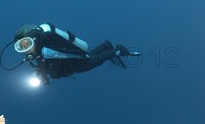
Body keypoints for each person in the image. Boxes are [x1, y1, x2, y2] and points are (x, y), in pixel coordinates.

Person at [12, 23, 140, 85]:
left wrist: (82, 56)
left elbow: (64, 54)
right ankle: (105, 45)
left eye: (26, 44)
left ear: (33, 40)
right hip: (70, 62)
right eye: (21, 47)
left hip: (75, 62)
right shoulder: (40, 51)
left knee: (95, 61)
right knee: (92, 55)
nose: (25, 49)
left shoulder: (45, 51)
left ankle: (116, 51)